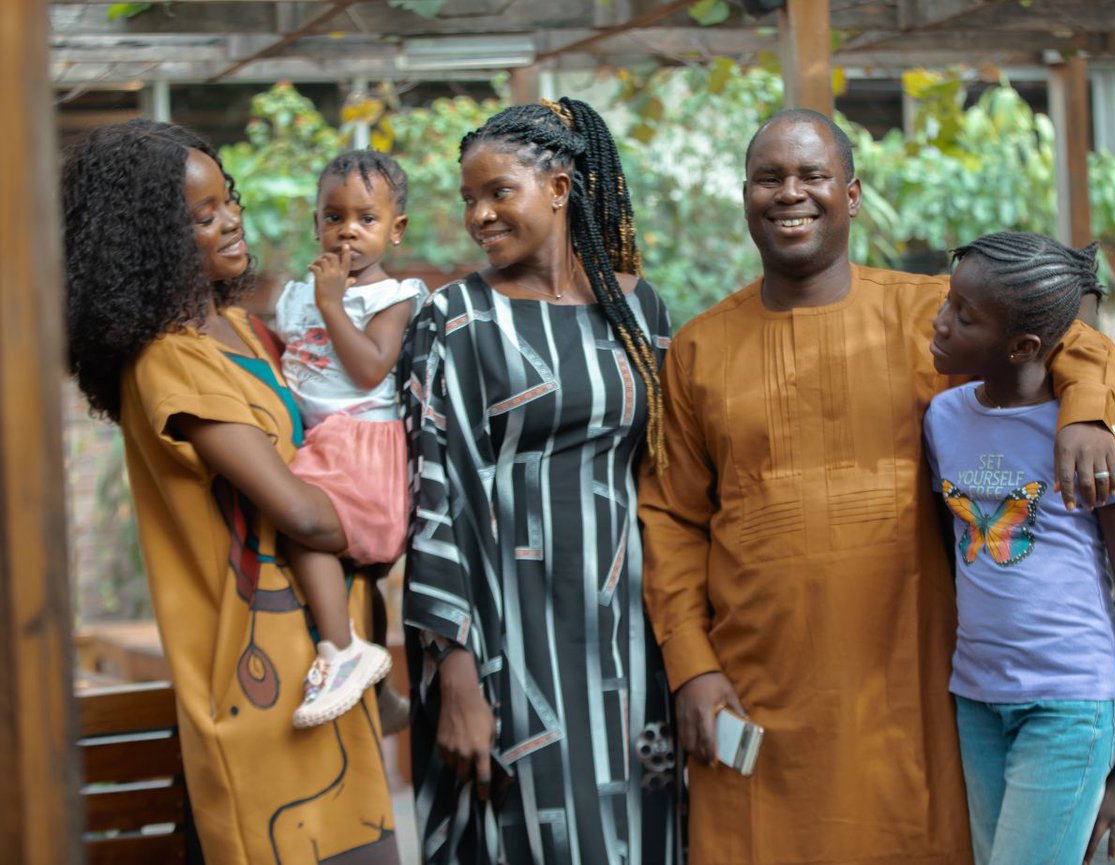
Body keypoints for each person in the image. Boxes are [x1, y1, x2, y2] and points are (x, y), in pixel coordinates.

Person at [638, 108, 1115, 865]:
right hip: (754, 686)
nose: (789, 193)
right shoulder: (702, 347)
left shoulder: (925, 315)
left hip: (912, 689)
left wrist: (1087, 411)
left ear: (854, 195)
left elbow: (1067, 335)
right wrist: (691, 665)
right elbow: (671, 520)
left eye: (812, 176)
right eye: (769, 178)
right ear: (745, 196)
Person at [62, 119, 400, 864]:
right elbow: (305, 511)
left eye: (228, 200)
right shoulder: (167, 363)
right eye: (201, 214)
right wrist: (387, 511)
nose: (231, 221)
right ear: (147, 239)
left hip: (327, 671)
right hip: (262, 702)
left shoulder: (243, 331)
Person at [401, 97, 678, 864]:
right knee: (539, 837)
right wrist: (454, 673)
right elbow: (435, 493)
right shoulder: (455, 318)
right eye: (468, 199)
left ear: (559, 188)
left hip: (634, 644)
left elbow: (674, 468)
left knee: (645, 836)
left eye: (498, 192)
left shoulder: (637, 309)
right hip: (515, 644)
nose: (480, 216)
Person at [924, 231, 1115, 865]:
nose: (940, 321)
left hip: (1067, 704)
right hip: (976, 699)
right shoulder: (943, 418)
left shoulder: (1087, 434)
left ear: (1024, 345)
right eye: (948, 302)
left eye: (963, 315)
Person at [253, 149, 425, 729]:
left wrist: (332, 304)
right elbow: (289, 361)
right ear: (316, 223)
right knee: (359, 577)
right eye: (334, 216)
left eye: (366, 219)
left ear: (395, 230)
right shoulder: (296, 293)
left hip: (361, 446)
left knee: (300, 528)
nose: (348, 229)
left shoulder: (392, 297)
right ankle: (380, 694)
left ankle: (342, 649)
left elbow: (372, 368)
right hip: (318, 438)